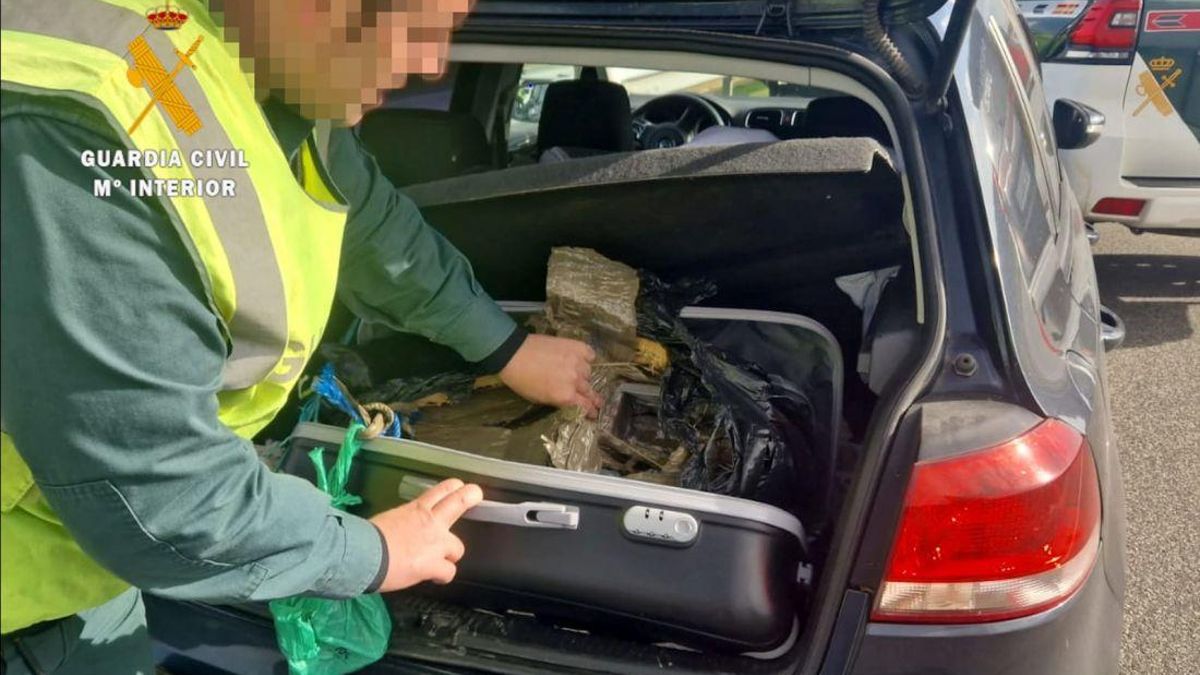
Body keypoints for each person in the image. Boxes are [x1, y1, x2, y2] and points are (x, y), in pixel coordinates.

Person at [0, 1, 602, 672]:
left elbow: (372, 225)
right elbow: (156, 493)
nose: (432, 63)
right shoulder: (88, 128)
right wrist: (370, 552)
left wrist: (505, 347)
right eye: (418, 26)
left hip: (81, 563)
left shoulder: (250, 77)